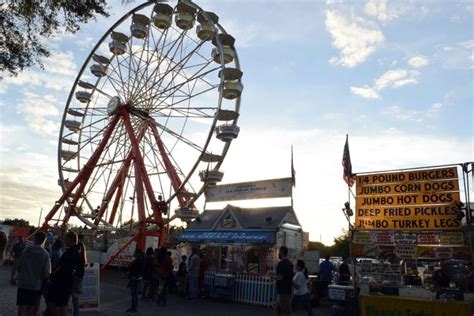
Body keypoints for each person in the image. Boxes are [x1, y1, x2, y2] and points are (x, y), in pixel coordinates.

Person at [47, 231, 85, 316]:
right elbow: (80, 272)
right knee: (62, 305)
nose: (64, 241)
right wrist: (76, 285)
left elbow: (60, 267)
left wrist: (51, 277)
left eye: (66, 239)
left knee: (55, 303)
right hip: (68, 283)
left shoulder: (70, 253)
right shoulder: (78, 253)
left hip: (62, 282)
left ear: (71, 240)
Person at [16, 231, 50, 316]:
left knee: (21, 307)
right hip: (35, 285)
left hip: (23, 283)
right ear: (44, 240)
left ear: (34, 238)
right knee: (31, 307)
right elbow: (46, 273)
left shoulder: (25, 251)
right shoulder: (45, 254)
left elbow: (19, 267)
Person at [275, 245, 293, 316]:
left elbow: (280, 277)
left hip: (282, 291)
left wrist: (273, 277)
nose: (278, 253)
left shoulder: (281, 263)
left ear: (281, 252)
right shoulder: (290, 264)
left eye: (279, 252)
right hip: (288, 289)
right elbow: (287, 275)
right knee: (277, 309)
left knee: (286, 311)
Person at [72, 235, 87, 316]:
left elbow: (79, 273)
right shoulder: (82, 261)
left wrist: (77, 285)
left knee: (75, 300)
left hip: (76, 280)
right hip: (78, 280)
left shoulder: (79, 261)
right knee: (75, 300)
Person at [126, 248, 144, 313]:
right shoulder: (139, 261)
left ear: (138, 254)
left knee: (134, 295)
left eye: (135, 253)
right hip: (135, 279)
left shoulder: (137, 261)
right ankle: (133, 307)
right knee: (134, 294)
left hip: (134, 279)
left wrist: (132, 278)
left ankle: (133, 308)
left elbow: (134, 271)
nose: (134, 254)